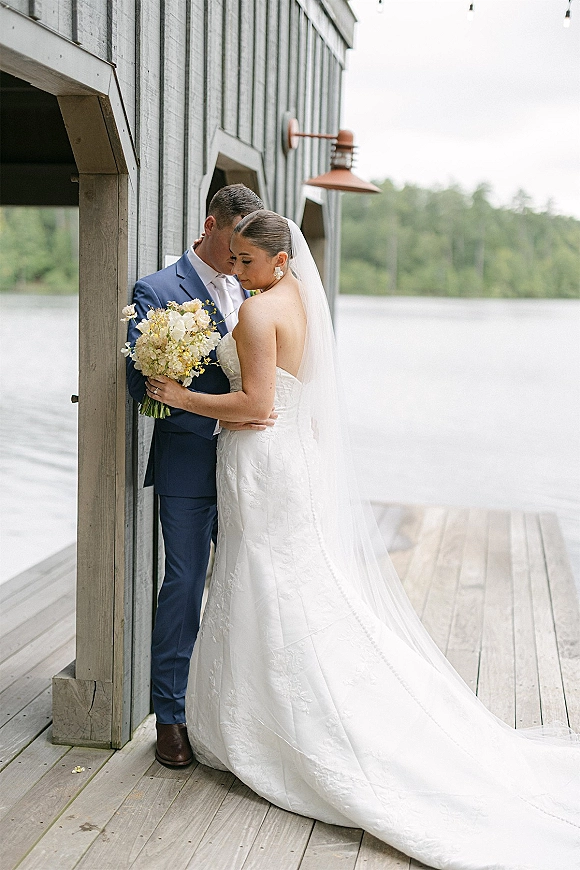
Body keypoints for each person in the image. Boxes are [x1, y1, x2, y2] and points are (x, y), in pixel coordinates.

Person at [146, 211, 579, 869]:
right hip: (293, 464)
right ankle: (259, 712)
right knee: (281, 585)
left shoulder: (260, 315)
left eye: (244, 263)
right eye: (231, 259)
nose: (234, 272)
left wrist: (179, 394)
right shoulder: (301, 304)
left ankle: (279, 727)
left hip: (263, 463)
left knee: (267, 585)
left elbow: (258, 407)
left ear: (280, 262)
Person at [126, 184, 267, 769]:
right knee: (183, 586)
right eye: (232, 243)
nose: (237, 258)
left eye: (244, 249)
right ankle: (171, 716)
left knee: (250, 582)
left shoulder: (253, 289)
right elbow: (142, 391)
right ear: (211, 226)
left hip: (251, 467)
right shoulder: (156, 290)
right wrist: (182, 397)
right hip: (188, 465)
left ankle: (241, 711)